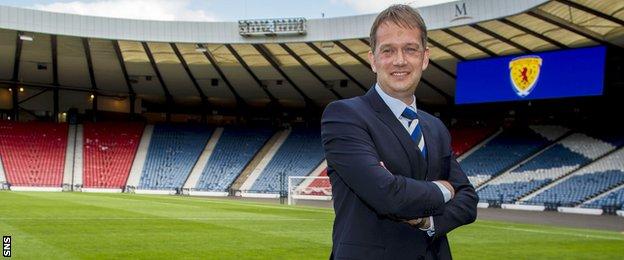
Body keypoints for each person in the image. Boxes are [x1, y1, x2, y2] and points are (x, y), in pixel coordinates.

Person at [321, 4, 478, 260]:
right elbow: (386, 194)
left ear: (424, 57)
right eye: (388, 50)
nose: (400, 60)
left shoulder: (435, 127)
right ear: (372, 59)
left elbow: (469, 200)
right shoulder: (344, 116)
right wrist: (444, 190)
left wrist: (428, 221)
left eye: (410, 49)